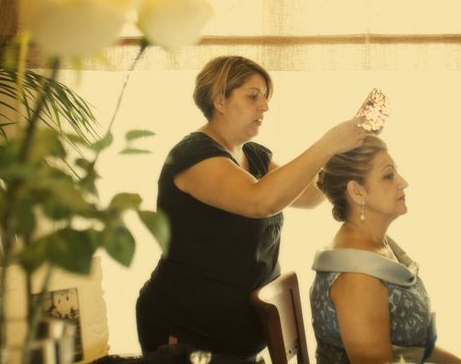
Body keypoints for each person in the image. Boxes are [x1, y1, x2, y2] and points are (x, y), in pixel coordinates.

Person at [136, 55, 365, 363]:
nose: (265, 106)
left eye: (265, 98)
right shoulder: (193, 156)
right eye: (253, 96)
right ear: (220, 101)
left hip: (239, 338)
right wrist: (327, 144)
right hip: (186, 331)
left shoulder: (253, 155)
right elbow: (261, 201)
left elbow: (309, 195)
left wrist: (344, 155)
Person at [310, 135, 461, 364]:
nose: (403, 182)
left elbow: (412, 350)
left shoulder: (377, 244)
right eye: (388, 176)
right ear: (357, 192)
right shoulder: (357, 278)